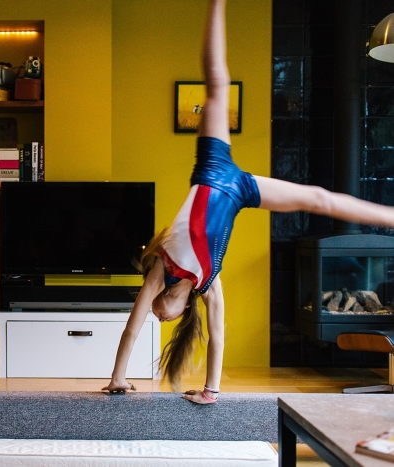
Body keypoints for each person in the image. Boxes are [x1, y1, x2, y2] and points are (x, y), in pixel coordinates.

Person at [103, 0, 394, 404]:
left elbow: (130, 328)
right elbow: (218, 336)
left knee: (217, 83)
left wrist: (117, 376)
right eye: (162, 319)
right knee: (317, 199)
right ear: (179, 313)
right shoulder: (208, 285)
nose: (156, 316)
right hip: (240, 191)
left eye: (154, 311)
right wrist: (210, 391)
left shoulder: (160, 268)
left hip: (212, 167)